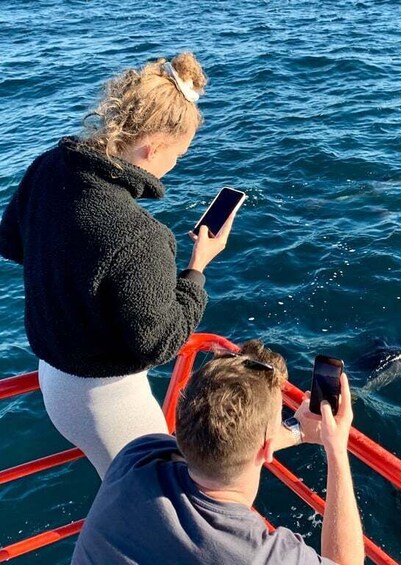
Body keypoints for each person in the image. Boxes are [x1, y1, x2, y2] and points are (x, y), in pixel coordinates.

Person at [0, 53, 232, 478]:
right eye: (178, 155)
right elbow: (157, 343)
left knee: (119, 485)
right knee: (158, 496)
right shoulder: (141, 236)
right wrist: (197, 269)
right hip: (105, 401)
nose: (174, 166)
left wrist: (78, 273)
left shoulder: (49, 168)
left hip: (53, 378)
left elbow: (13, 243)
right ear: (153, 147)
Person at [71, 340, 365, 565]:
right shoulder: (260, 555)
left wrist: (297, 430)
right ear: (267, 447)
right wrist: (336, 448)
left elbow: (221, 442)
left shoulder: (137, 458)